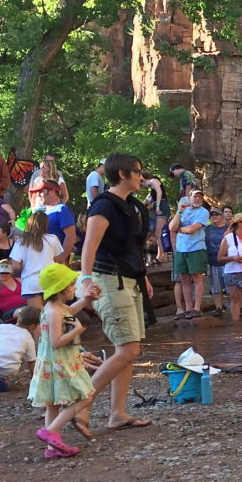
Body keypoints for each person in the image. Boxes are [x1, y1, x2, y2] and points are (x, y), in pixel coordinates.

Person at [79, 152, 153, 432]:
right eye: (137, 172)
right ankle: (79, 404)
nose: (141, 177)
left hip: (130, 279)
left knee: (129, 351)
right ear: (122, 174)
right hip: (109, 280)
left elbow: (133, 247)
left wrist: (142, 276)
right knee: (127, 349)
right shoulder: (103, 206)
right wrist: (86, 280)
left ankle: (117, 414)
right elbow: (89, 246)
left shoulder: (132, 206)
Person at [30, 264, 100, 457]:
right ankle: (50, 432)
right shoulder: (53, 312)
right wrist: (77, 331)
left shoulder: (57, 307)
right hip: (60, 363)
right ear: (60, 289)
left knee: (52, 404)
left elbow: (70, 310)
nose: (73, 288)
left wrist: (85, 299)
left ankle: (52, 447)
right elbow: (56, 342)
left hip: (54, 363)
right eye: (70, 285)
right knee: (86, 397)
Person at [10, 211, 65, 310]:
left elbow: (15, 266)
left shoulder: (21, 241)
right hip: (50, 280)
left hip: (31, 282)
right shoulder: (52, 239)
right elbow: (59, 260)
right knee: (53, 313)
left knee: (36, 316)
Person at [169, 187, 209, 318]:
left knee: (197, 278)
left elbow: (192, 229)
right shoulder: (183, 211)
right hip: (181, 249)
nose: (197, 199)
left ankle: (197, 308)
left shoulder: (203, 212)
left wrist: (179, 228)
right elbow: (171, 227)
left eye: (200, 197)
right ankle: (188, 308)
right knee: (184, 279)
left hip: (196, 248)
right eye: (195, 196)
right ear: (189, 198)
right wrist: (179, 212)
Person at [0, 304, 39, 386]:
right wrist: (34, 377)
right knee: (12, 366)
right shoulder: (28, 337)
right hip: (9, 369)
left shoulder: (1, 327)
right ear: (33, 326)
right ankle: (4, 380)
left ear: (18, 318)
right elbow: (31, 361)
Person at [33, 179, 77, 262]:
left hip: (55, 261)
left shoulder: (62, 210)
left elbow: (71, 235)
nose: (38, 195)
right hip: (41, 259)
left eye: (41, 192)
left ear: (52, 192)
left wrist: (62, 258)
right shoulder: (42, 212)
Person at [218, 212, 242, 321]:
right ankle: (236, 326)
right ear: (239, 223)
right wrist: (233, 258)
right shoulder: (228, 238)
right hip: (231, 272)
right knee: (235, 299)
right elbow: (220, 258)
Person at [204, 206, 228, 317]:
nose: (214, 217)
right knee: (216, 287)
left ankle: (236, 307)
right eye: (212, 215)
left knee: (231, 286)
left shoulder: (228, 228)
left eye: (216, 214)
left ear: (221, 216)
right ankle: (219, 308)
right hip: (212, 261)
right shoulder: (207, 229)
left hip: (228, 261)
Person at [141, 175, 171, 263]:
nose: (142, 187)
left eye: (141, 185)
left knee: (159, 233)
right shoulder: (151, 191)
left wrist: (157, 207)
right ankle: (161, 254)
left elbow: (159, 192)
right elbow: (147, 201)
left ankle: (162, 256)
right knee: (157, 232)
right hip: (158, 206)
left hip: (162, 206)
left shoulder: (153, 181)